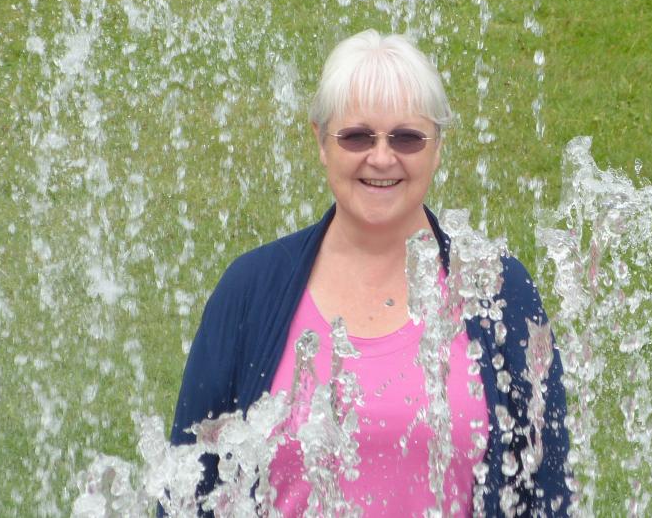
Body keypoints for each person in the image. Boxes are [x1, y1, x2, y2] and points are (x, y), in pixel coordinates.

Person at [170, 29, 570, 517]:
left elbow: (545, 491)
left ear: (437, 147)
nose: (382, 157)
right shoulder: (249, 292)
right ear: (321, 141)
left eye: (407, 137)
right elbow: (189, 488)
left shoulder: (498, 290)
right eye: (357, 136)